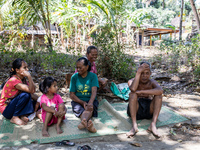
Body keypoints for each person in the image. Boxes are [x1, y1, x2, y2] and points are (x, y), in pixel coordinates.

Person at [126, 62, 163, 138]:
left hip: (149, 110)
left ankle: (153, 124)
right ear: (138, 73)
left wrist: (141, 92)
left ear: (150, 73)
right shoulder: (132, 81)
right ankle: (134, 125)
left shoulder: (152, 82)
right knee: (133, 94)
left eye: (147, 73)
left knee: (159, 96)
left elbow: (160, 91)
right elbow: (133, 89)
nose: (144, 76)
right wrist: (139, 72)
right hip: (136, 109)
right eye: (142, 73)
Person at [0, 58, 37, 125]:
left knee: (36, 102)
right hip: (6, 110)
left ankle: (22, 115)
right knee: (26, 95)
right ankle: (15, 117)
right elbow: (30, 91)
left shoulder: (23, 79)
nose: (27, 70)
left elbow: (33, 91)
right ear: (17, 70)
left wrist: (43, 101)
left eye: (27, 67)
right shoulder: (13, 80)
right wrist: (29, 76)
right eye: (24, 68)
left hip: (13, 106)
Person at [70, 57, 99, 133]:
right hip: (78, 101)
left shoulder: (93, 76)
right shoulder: (74, 77)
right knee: (80, 109)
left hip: (90, 99)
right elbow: (72, 95)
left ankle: (83, 122)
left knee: (90, 107)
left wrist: (90, 102)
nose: (78, 69)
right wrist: (82, 102)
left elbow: (94, 91)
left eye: (80, 67)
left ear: (87, 67)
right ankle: (88, 125)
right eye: (77, 67)